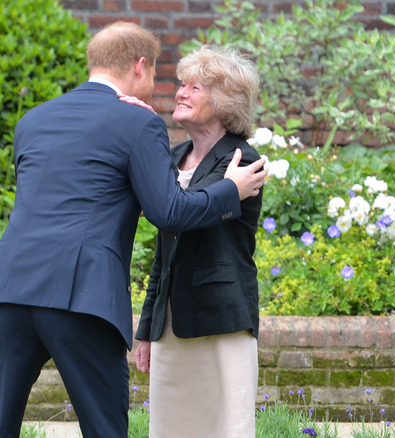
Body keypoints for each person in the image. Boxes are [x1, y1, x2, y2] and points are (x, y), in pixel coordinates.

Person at [0, 22, 267, 438]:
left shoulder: (33, 120)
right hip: (81, 294)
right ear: (140, 67)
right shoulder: (137, 124)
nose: (175, 90)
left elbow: (71, 194)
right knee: (105, 428)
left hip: (9, 288)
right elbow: (170, 213)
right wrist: (230, 190)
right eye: (166, 78)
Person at [133, 46, 262, 437]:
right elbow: (165, 251)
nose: (180, 93)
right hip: (172, 324)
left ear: (223, 102)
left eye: (195, 87)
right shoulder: (173, 158)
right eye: (180, 84)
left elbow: (187, 212)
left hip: (221, 319)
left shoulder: (242, 161)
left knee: (226, 426)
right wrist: (147, 328)